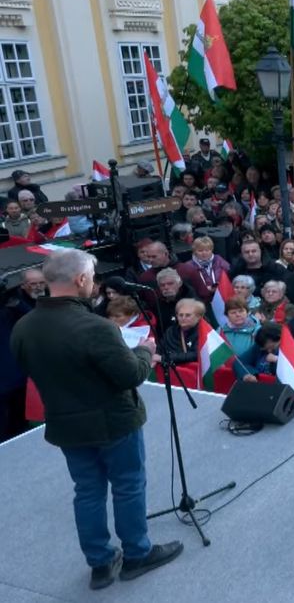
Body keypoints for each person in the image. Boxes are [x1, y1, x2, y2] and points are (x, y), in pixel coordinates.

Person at [10, 249, 183, 588]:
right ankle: (136, 554)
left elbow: (34, 370)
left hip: (66, 425)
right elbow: (131, 374)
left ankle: (100, 564)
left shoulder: (24, 327)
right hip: (114, 423)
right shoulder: (95, 327)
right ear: (81, 280)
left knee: (87, 492)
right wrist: (146, 351)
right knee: (128, 485)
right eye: (92, 277)